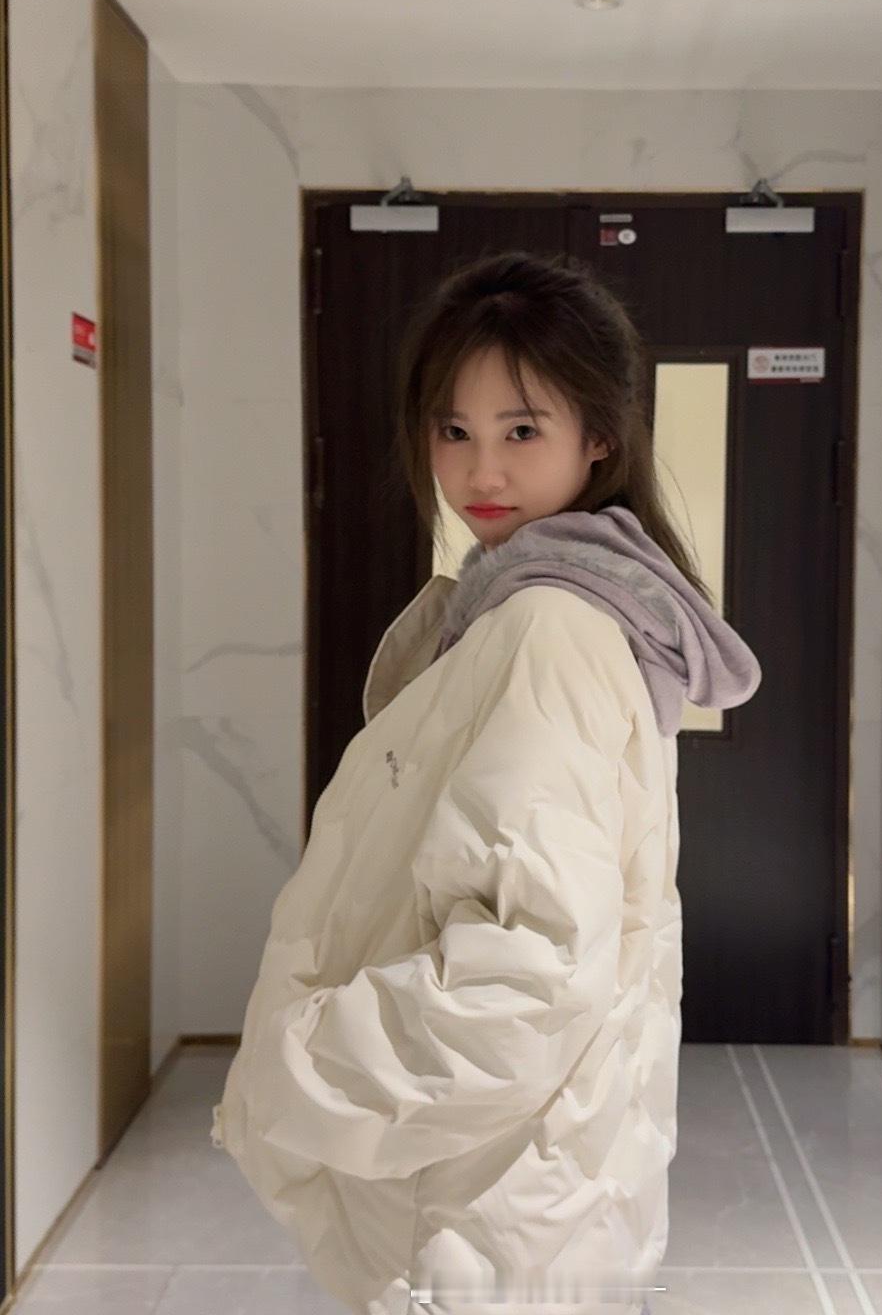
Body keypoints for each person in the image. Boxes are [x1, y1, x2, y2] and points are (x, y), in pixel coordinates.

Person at [210, 250, 762, 1314]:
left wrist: (292, 1065)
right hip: (523, 1178)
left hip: (479, 1203)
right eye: (453, 431)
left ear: (599, 438)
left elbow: (530, 972)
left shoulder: (548, 627)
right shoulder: (531, 605)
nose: (481, 473)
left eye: (521, 430)